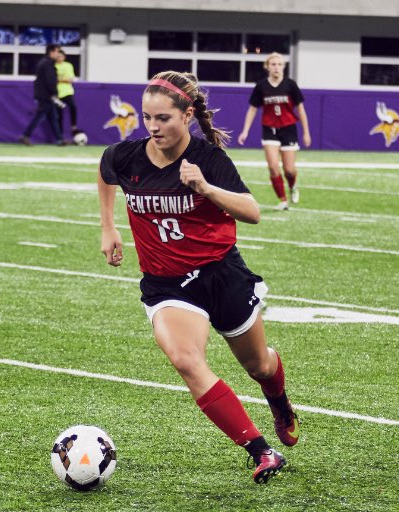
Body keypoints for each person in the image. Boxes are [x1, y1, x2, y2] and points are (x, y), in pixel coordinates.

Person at [98, 71, 300, 484]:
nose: (153, 127)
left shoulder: (208, 160)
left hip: (220, 274)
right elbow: (105, 173)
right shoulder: (126, 156)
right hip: (167, 284)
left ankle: (278, 401)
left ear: (187, 116)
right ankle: (261, 451)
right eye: (147, 117)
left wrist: (207, 188)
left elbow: (252, 211)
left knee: (259, 365)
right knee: (186, 360)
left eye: (164, 119)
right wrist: (109, 226)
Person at [236, 53, 311, 211]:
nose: (276, 67)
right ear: (267, 67)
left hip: (289, 129)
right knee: (272, 167)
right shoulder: (261, 86)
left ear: (284, 67)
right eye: (273, 64)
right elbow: (252, 109)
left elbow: (301, 109)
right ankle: (283, 200)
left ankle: (293, 186)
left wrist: (306, 132)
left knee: (289, 170)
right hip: (269, 129)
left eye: (279, 64)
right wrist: (245, 131)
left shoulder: (290, 85)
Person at [19, 44, 65, 147]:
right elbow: (50, 81)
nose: (58, 54)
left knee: (53, 117)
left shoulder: (45, 63)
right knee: (40, 116)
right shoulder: (47, 64)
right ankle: (25, 135)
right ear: (51, 52)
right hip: (47, 96)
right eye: (57, 52)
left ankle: (60, 139)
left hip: (46, 95)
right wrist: (54, 93)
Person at [54, 49, 79, 138]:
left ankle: (74, 126)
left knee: (73, 107)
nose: (59, 58)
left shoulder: (68, 65)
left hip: (67, 92)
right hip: (57, 94)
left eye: (61, 56)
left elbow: (70, 79)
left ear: (64, 57)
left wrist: (59, 79)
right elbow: (53, 79)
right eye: (57, 56)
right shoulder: (53, 66)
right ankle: (60, 136)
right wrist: (63, 79)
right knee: (59, 114)